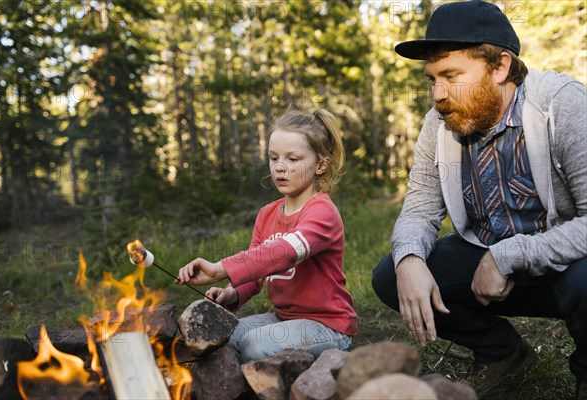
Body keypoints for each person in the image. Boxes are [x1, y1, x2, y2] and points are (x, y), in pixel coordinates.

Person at [371, 1, 586, 398]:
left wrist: (508, 256)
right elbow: (420, 204)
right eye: (432, 78)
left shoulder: (563, 105)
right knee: (390, 274)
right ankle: (502, 353)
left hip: (564, 267)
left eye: (451, 75)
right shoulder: (439, 122)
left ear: (500, 66)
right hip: (485, 266)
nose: (438, 94)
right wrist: (410, 259)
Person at [176, 109, 357, 361]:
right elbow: (255, 272)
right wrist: (231, 292)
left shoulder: (322, 212)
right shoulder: (267, 214)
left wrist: (221, 268)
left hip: (327, 325)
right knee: (225, 337)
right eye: (274, 158)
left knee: (253, 345)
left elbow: (283, 253)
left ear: (320, 165)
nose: (280, 167)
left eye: (293, 159)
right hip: (282, 318)